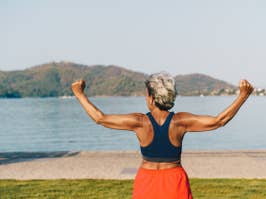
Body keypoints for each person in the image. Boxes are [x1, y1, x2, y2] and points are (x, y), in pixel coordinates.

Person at [71, 72, 253, 199]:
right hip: (174, 181)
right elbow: (219, 121)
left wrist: (79, 94)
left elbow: (100, 118)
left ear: (151, 98)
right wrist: (243, 96)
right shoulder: (180, 121)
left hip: (147, 180)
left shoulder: (140, 122)